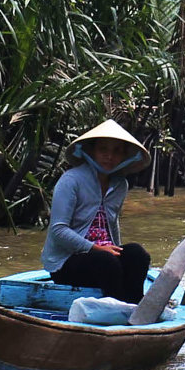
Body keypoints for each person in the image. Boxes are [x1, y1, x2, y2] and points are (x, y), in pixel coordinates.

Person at [41, 119, 151, 303]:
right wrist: (97, 249)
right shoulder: (71, 180)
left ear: (124, 156)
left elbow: (112, 222)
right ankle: (117, 309)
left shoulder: (120, 185)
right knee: (106, 262)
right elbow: (58, 230)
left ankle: (134, 307)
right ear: (91, 151)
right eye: (103, 150)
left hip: (104, 257)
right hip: (67, 262)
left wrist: (116, 249)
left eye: (117, 151)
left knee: (138, 255)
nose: (110, 156)